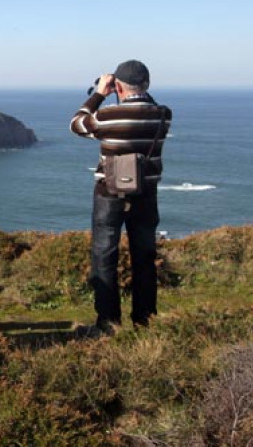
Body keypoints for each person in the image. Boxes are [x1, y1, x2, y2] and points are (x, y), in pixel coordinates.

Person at [70, 60, 172, 332]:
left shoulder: (108, 116)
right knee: (144, 257)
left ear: (117, 86)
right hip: (146, 195)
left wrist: (100, 94)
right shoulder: (163, 114)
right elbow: (144, 106)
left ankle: (108, 323)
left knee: (104, 257)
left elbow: (77, 124)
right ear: (147, 85)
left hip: (109, 195)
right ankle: (144, 321)